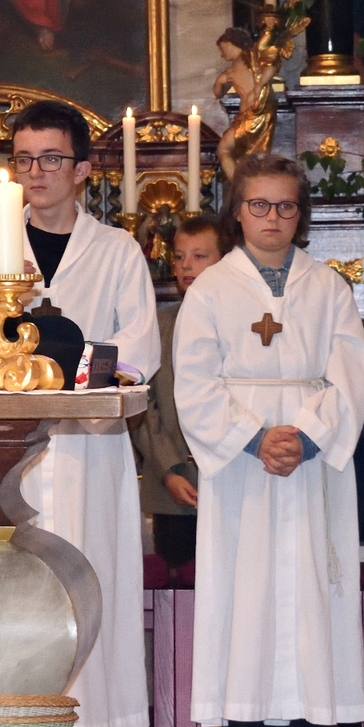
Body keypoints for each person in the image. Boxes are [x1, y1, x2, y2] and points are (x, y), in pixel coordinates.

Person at [0, 100, 159, 727]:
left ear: (83, 169)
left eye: (52, 159)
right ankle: (10, 724)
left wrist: (62, 364)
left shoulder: (116, 251)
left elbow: (140, 350)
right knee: (15, 587)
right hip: (12, 450)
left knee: (93, 576)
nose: (36, 173)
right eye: (24, 160)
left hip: (87, 447)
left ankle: (95, 725)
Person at [174, 152, 364, 727]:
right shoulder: (211, 290)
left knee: (314, 600)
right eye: (259, 204)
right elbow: (194, 385)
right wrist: (256, 436)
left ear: (300, 213)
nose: (273, 217)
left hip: (312, 470)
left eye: (286, 205)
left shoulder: (329, 287)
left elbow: (351, 375)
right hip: (242, 471)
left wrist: (308, 436)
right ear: (238, 211)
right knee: (245, 603)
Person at [134, 214, 229, 566]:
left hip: (231, 478)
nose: (186, 265)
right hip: (172, 484)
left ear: (225, 262)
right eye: (179, 256)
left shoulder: (241, 324)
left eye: (199, 256)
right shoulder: (159, 325)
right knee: (176, 583)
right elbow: (143, 403)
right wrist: (168, 470)